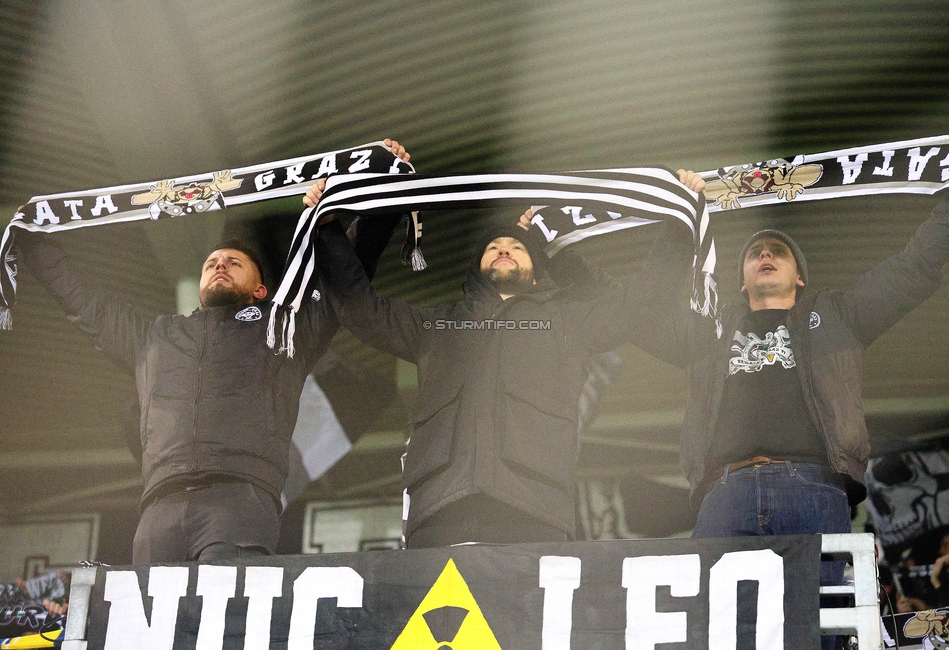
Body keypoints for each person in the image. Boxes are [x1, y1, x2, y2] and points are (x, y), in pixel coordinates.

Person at [16, 139, 411, 563]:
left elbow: (345, 282)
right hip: (158, 506)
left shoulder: (284, 330)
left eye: (234, 262)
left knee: (223, 626)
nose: (219, 264)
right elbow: (85, 304)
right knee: (149, 625)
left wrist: (382, 196)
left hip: (239, 500)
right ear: (201, 286)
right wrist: (33, 244)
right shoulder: (154, 337)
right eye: (212, 263)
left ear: (261, 290)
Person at [630, 141, 949, 609]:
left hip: (813, 489)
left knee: (816, 627)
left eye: (778, 251)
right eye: (755, 252)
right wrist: (677, 225)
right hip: (724, 491)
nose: (765, 255)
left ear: (801, 277)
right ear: (741, 280)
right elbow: (638, 314)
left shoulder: (838, 315)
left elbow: (915, 268)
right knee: (714, 631)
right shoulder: (710, 329)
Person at [308, 170, 706, 548]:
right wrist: (326, 230)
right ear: (477, 268)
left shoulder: (568, 321)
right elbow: (360, 308)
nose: (503, 249)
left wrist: (678, 223)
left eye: (517, 246)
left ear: (535, 272)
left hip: (533, 509)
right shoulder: (437, 326)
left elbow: (642, 302)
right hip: (440, 510)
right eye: (493, 247)